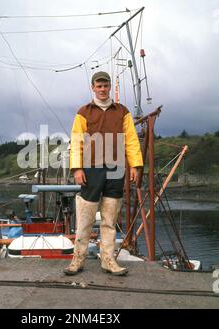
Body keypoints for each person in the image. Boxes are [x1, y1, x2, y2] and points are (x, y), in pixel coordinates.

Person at [64, 71, 143, 276]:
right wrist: (77, 168)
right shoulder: (84, 111)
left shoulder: (122, 111)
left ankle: (108, 260)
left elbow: (132, 140)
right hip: (91, 168)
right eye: (98, 86)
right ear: (93, 88)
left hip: (116, 168)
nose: (102, 89)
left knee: (110, 217)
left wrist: (135, 165)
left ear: (109, 87)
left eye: (105, 85)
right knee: (85, 217)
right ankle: (77, 260)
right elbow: (76, 141)